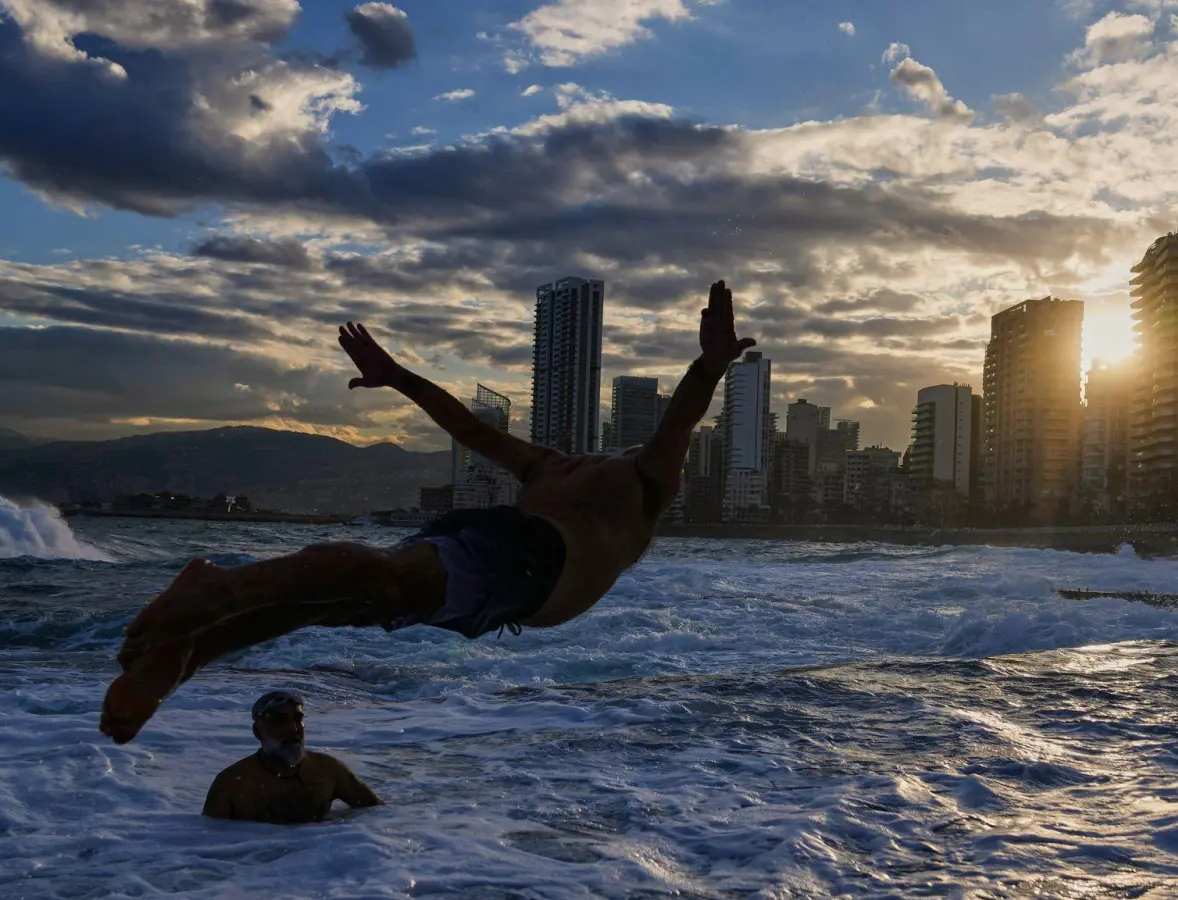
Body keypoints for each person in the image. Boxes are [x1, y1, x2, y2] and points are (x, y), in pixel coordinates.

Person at [100, 279, 755, 744]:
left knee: (353, 599)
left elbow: (677, 423)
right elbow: (469, 429)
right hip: (518, 558)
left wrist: (709, 367)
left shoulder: (642, 480)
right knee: (368, 583)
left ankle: (191, 650)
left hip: (527, 568)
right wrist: (399, 379)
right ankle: (214, 600)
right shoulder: (554, 464)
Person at [202, 690, 382, 824]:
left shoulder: (329, 771)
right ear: (258, 731)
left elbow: (378, 814)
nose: (293, 729)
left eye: (297, 719)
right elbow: (208, 844)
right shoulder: (232, 784)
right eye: (280, 720)